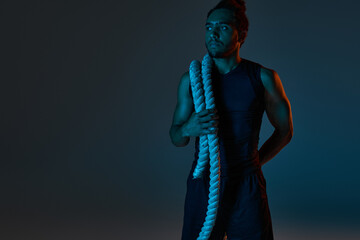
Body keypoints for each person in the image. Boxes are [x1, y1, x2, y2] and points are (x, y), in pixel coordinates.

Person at [169, 0, 293, 239]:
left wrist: (254, 163)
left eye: (223, 27)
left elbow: (285, 131)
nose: (213, 33)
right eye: (208, 27)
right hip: (203, 183)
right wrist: (187, 128)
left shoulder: (264, 78)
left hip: (247, 186)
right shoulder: (191, 80)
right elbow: (176, 137)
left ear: (241, 35)